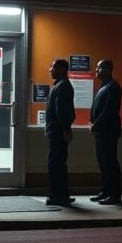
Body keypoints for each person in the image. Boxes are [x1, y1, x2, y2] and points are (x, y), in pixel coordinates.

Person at [89, 59, 122, 204]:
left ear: (108, 69)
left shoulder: (113, 87)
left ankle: (115, 195)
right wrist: (93, 123)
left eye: (99, 68)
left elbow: (109, 110)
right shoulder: (103, 86)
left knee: (110, 163)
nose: (96, 70)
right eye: (96, 68)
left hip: (108, 131)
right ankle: (105, 191)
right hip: (101, 132)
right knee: (103, 163)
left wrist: (95, 124)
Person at [45, 58, 76, 206]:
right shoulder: (61, 85)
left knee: (56, 164)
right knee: (58, 163)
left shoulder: (62, 86)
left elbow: (61, 111)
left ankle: (57, 195)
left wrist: (65, 129)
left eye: (53, 67)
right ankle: (60, 194)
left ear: (62, 69)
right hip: (57, 131)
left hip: (57, 131)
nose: (50, 69)